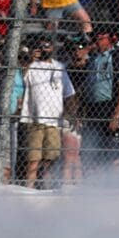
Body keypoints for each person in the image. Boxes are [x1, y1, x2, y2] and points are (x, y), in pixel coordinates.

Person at [19, 36, 76, 187]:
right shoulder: (31, 65)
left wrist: (71, 114)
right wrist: (30, 59)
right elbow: (21, 77)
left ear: (52, 48)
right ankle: (29, 189)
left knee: (50, 160)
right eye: (41, 46)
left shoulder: (59, 67)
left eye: (47, 46)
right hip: (34, 120)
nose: (44, 49)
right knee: (33, 160)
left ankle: (46, 188)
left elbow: (69, 93)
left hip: (53, 120)